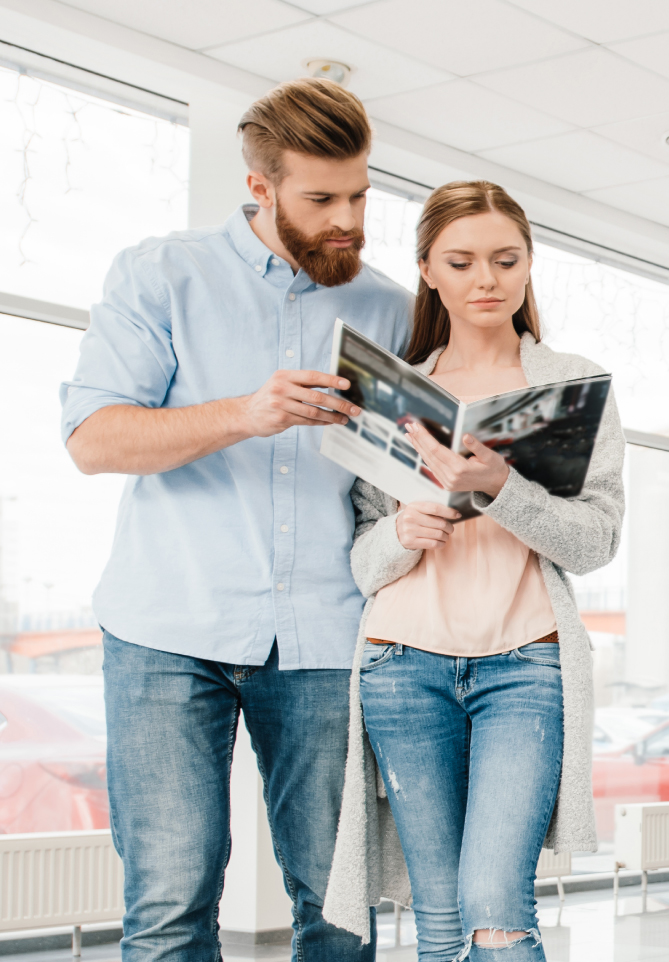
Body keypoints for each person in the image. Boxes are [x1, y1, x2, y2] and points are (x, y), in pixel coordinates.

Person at [60, 78, 411, 962]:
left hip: (329, 634)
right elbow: (94, 440)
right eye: (321, 198)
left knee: (338, 905)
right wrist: (244, 414)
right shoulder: (161, 272)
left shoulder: (387, 309)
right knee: (171, 903)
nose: (348, 220)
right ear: (260, 187)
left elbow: (401, 477)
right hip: (167, 629)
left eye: (360, 194)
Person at [320, 181, 624, 962]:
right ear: (428, 270)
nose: (485, 279)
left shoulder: (569, 387)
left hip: (526, 665)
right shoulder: (390, 394)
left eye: (505, 259)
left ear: (528, 268)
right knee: (442, 921)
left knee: (496, 907)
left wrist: (498, 487)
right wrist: (400, 531)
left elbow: (594, 542)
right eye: (461, 261)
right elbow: (362, 557)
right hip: (400, 664)